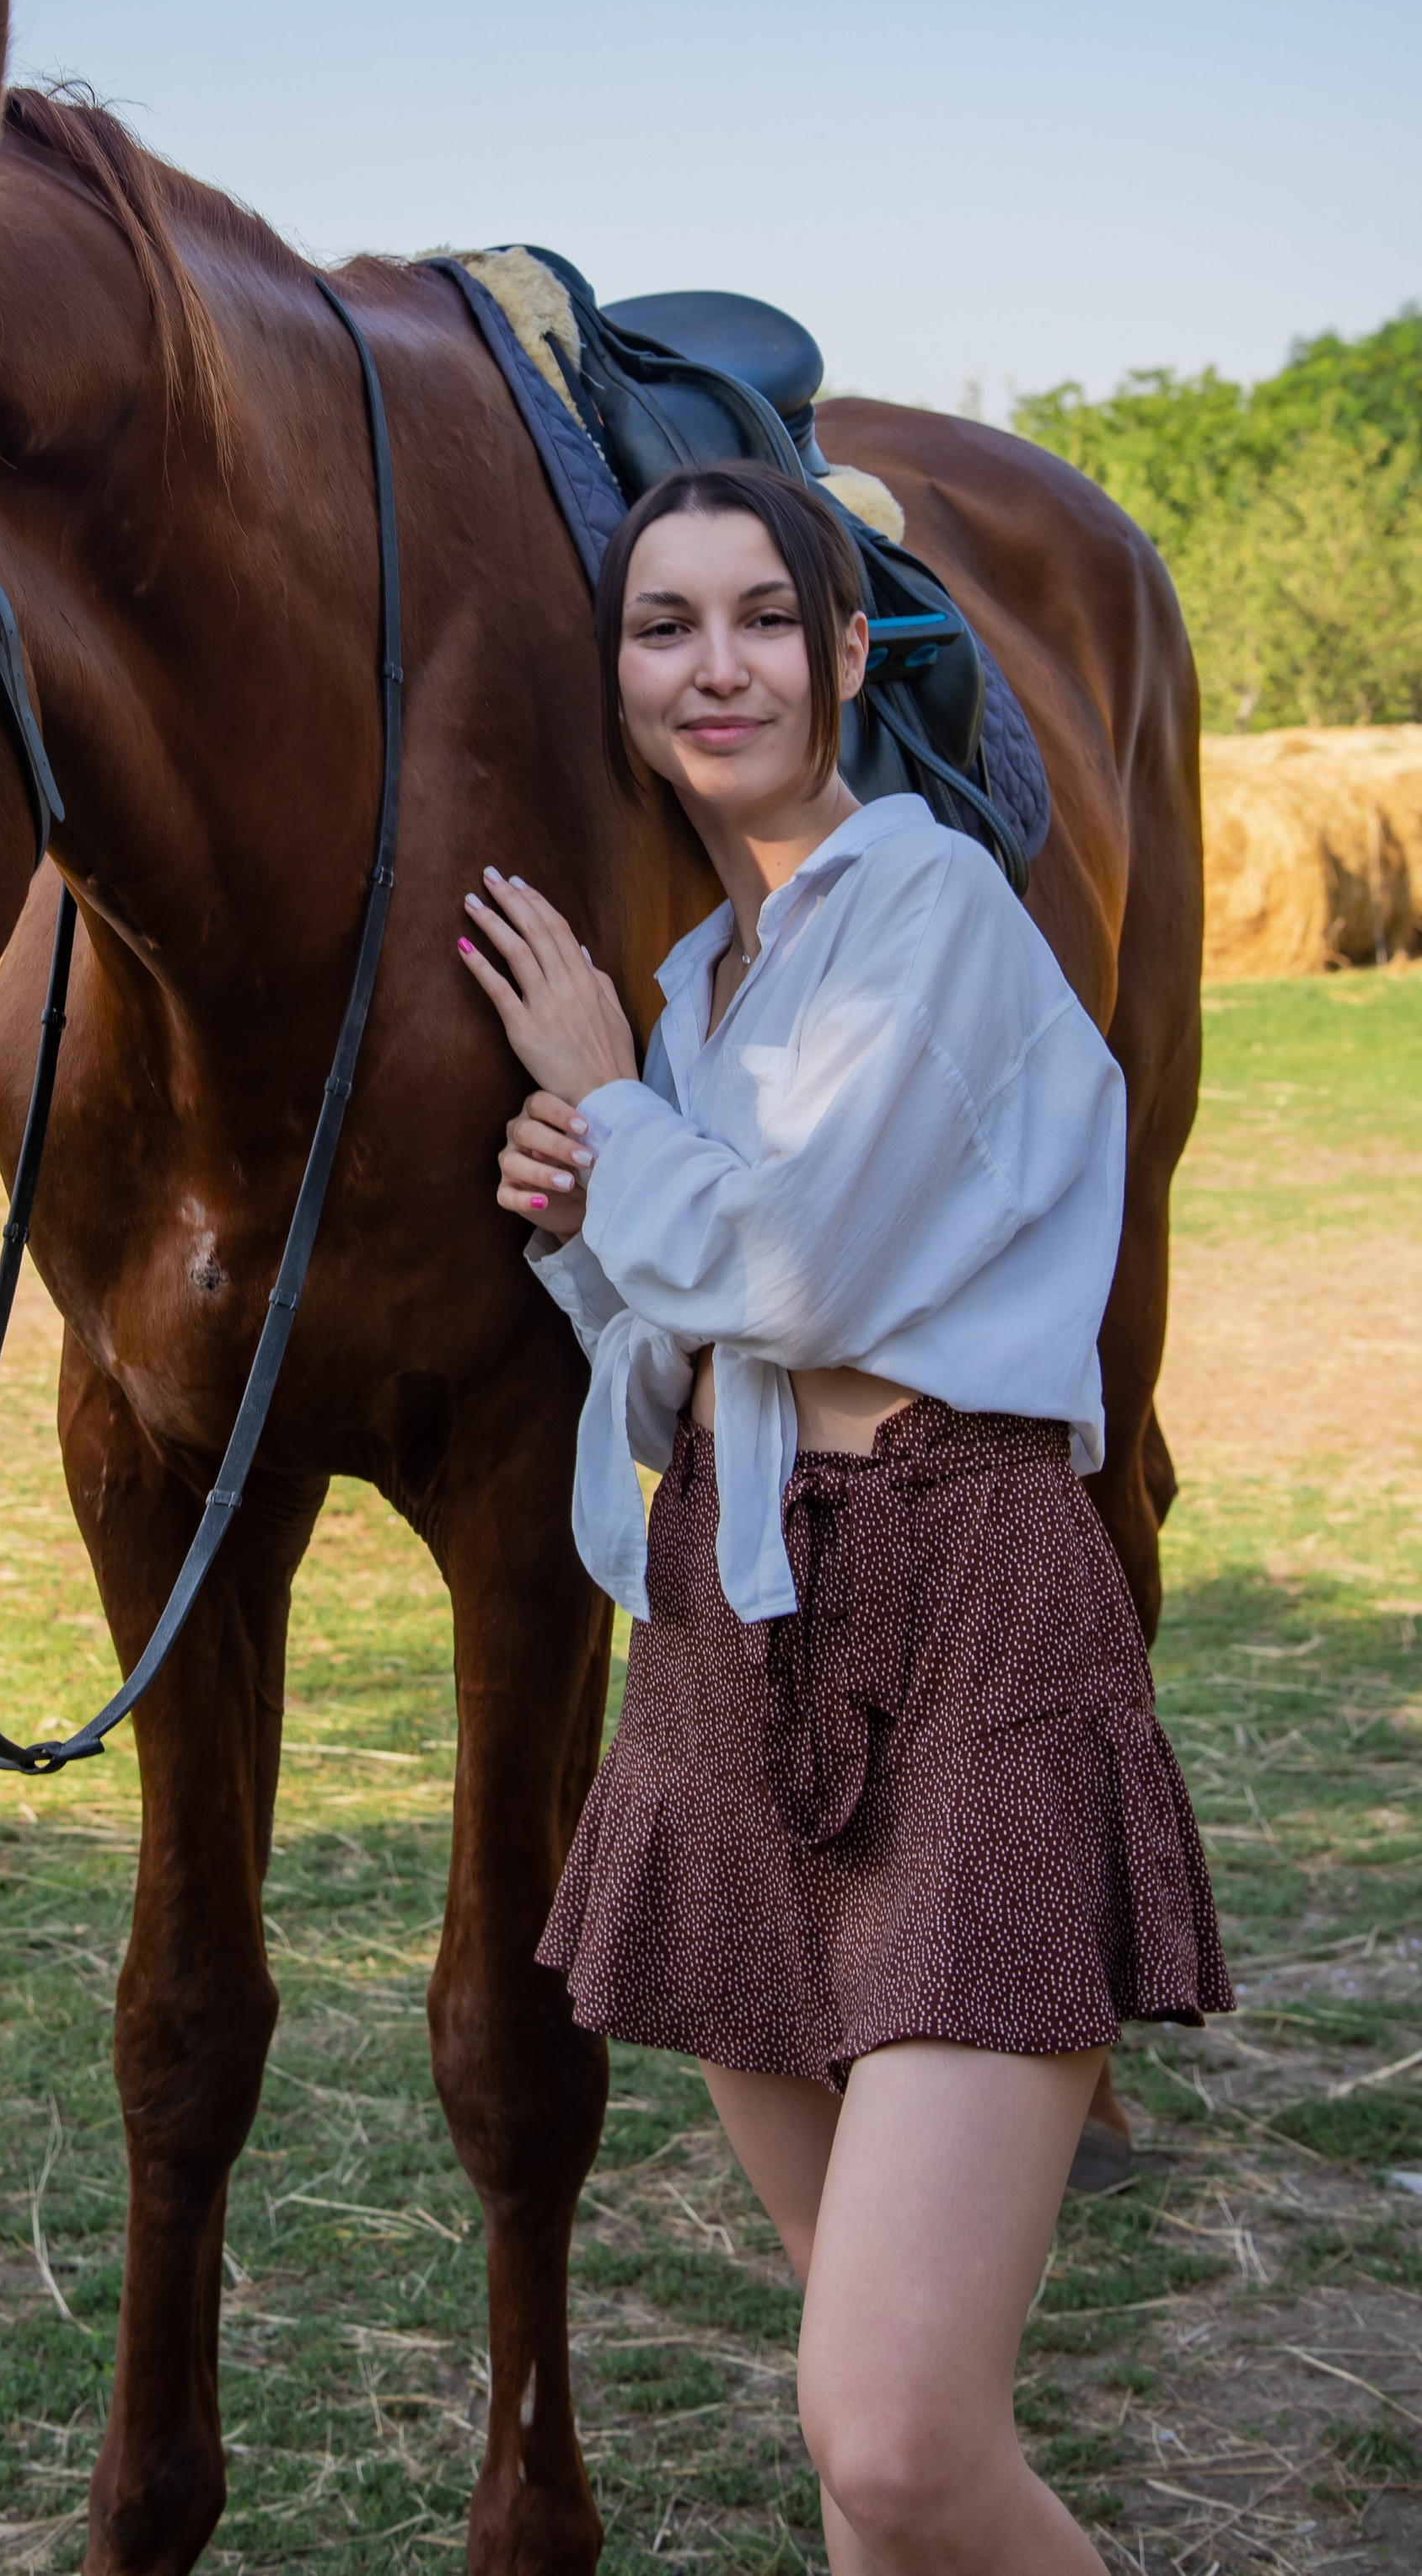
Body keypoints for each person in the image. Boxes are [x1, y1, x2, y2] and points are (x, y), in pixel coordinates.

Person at [456, 460, 1227, 2576]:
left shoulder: (927, 906)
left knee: (895, 2440)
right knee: (848, 2405)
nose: (714, 665)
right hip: (730, 1644)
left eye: (761, 617)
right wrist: (583, 1224)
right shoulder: (702, 983)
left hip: (966, 1616)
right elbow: (700, 1357)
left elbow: (791, 1267)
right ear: (616, 679)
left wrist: (602, 1107)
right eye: (660, 624)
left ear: (845, 651)